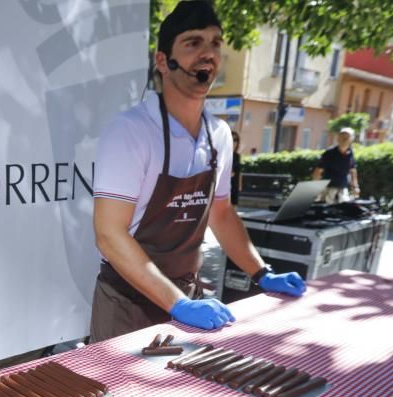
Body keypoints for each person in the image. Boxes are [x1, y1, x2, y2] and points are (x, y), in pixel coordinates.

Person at [89, 1, 305, 342]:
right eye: (193, 43)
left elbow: (221, 214)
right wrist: (177, 304)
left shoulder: (217, 134)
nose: (208, 54)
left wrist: (262, 273)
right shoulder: (130, 131)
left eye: (215, 43)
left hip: (188, 293)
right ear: (163, 61)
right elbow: (109, 235)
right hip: (127, 302)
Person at [313, 128, 360, 203]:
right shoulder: (329, 153)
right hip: (328, 188)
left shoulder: (350, 153)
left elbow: (353, 171)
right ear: (338, 138)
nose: (344, 139)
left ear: (352, 139)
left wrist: (355, 187)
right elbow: (318, 171)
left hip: (343, 189)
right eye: (342, 136)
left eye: (347, 137)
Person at [230, 129, 242, 206]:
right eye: (232, 139)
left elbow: (240, 172)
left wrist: (240, 185)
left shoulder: (237, 156)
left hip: (235, 184)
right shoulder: (223, 154)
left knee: (234, 207)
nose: (234, 142)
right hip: (226, 184)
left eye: (236, 140)